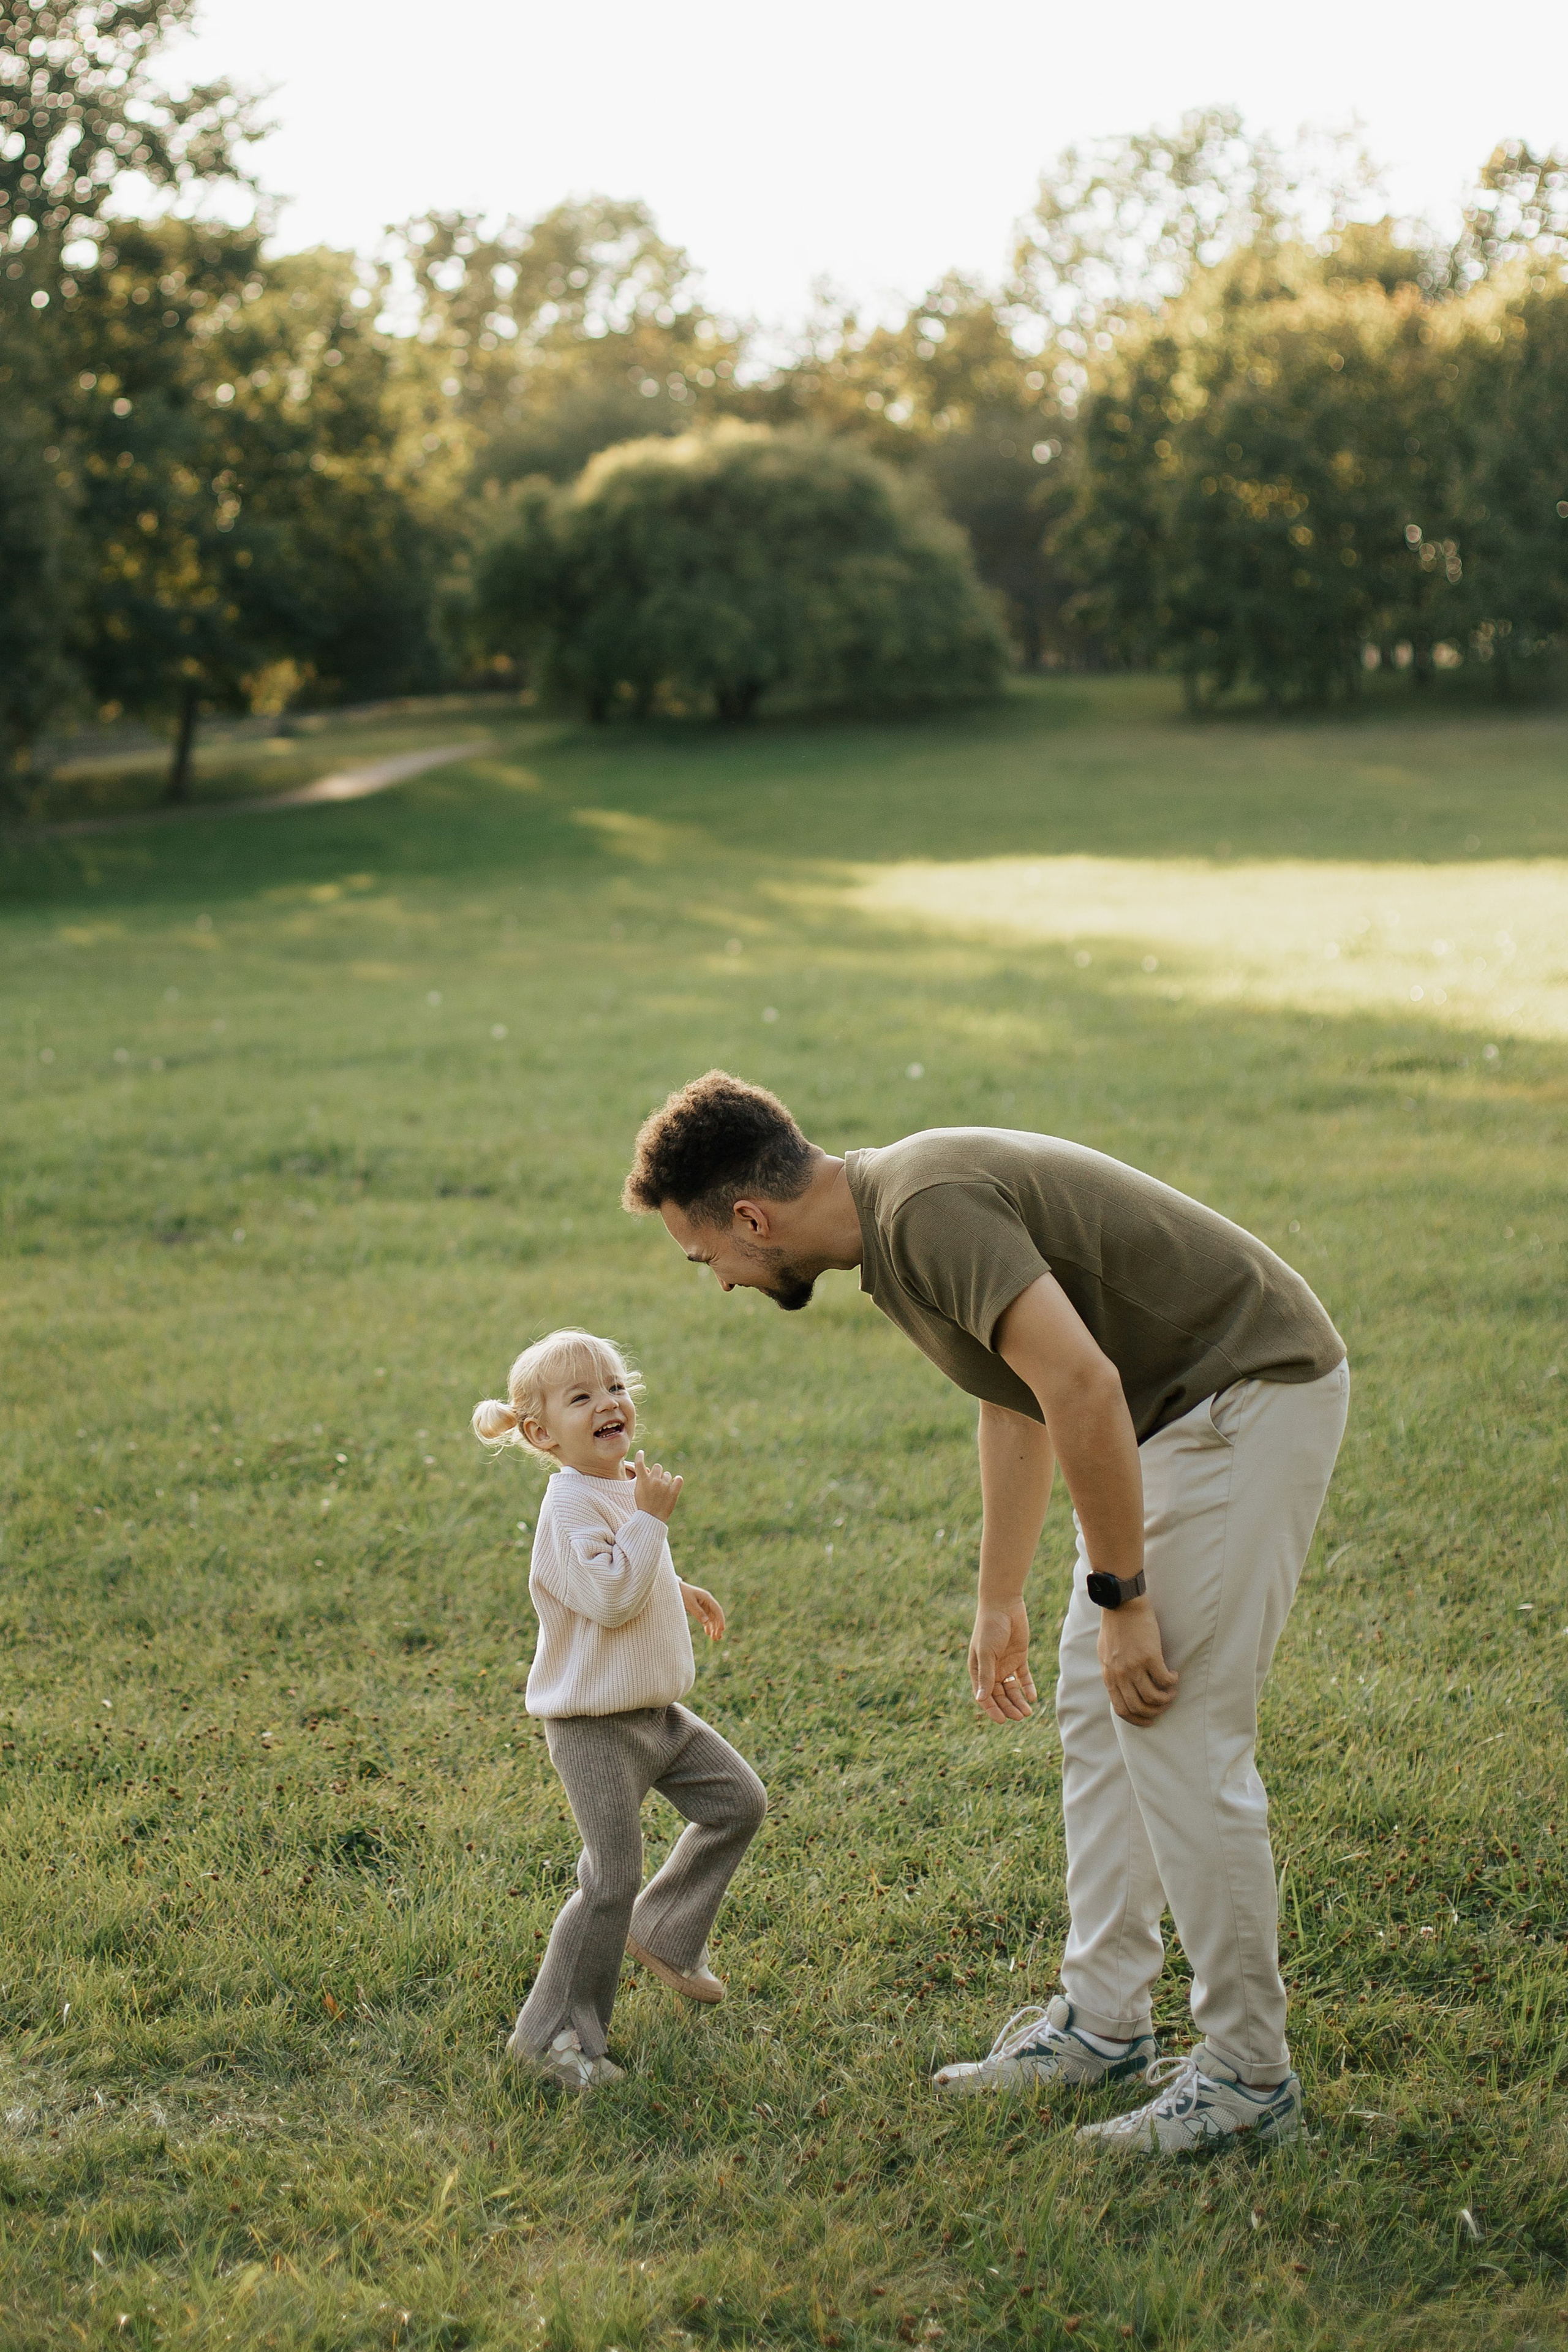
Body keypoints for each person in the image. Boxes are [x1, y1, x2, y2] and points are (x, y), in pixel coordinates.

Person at [623, 1072, 1349, 2154]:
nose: (721, 1281)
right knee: (1099, 1712)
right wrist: (998, 1596)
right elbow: (1019, 1397)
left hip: (1245, 1399)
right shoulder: (891, 1232)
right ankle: (1104, 2026)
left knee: (1179, 1733)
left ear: (750, 1219)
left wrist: (1125, 1600)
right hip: (1181, 1415)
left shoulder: (923, 1209)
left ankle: (1250, 2078)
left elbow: (1086, 1388)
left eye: (707, 1259)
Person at [472, 1325, 766, 2096]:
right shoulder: (569, 1500)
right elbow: (606, 1593)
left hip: (655, 1715)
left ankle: (664, 1931)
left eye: (615, 1387)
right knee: (609, 1877)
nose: (608, 1403)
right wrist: (654, 1521)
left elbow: (629, 1572)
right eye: (582, 1397)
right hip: (595, 1726)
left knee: (737, 1801)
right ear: (541, 1433)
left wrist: (676, 1583)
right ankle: (551, 2037)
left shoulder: (617, 1482)